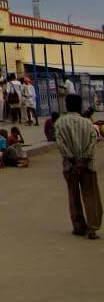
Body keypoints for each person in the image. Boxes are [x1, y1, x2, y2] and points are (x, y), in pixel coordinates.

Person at [54, 93, 102, 240]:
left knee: (73, 196)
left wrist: (73, 160)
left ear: (66, 105)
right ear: (80, 105)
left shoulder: (60, 123)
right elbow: (92, 142)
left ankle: (79, 227)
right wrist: (82, 161)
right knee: (91, 196)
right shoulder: (87, 123)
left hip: (70, 166)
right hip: (88, 165)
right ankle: (93, 228)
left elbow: (61, 145)